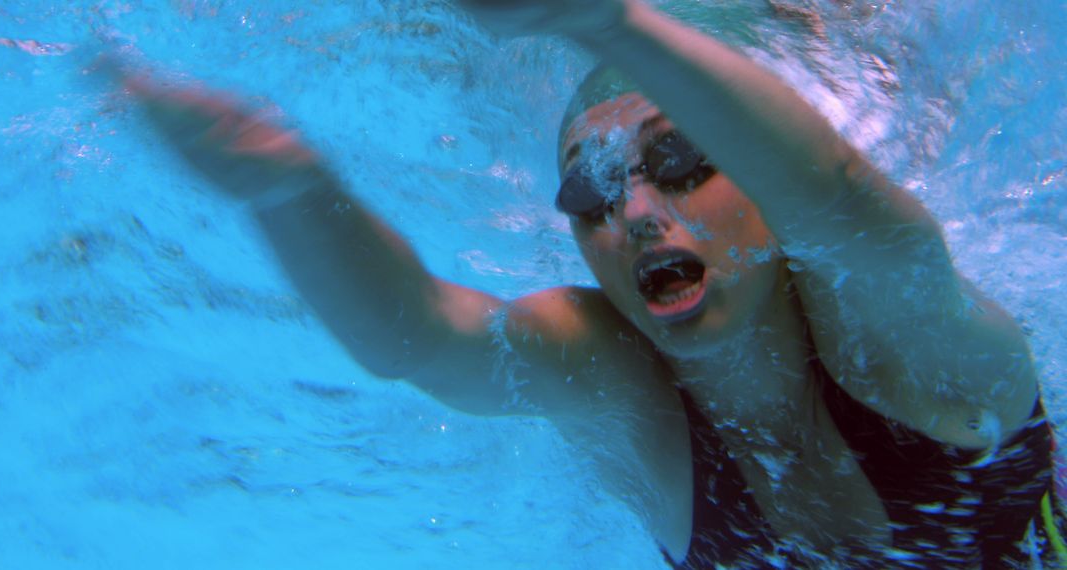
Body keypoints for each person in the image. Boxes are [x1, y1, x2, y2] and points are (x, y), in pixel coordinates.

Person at [112, 0, 1063, 566]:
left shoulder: (906, 362)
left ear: (767, 193)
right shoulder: (617, 381)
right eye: (595, 190)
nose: (638, 211)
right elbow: (421, 338)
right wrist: (287, 186)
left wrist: (603, 20)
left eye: (682, 161)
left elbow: (847, 200)